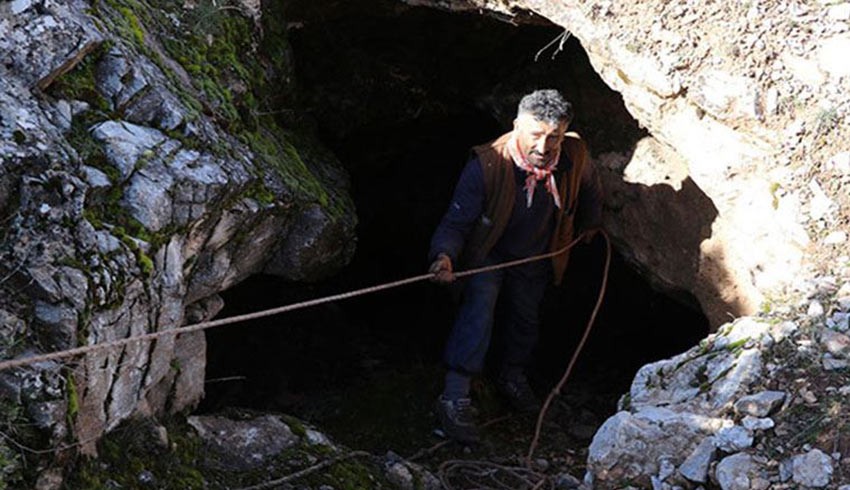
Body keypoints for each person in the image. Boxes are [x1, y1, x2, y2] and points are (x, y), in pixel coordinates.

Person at [428, 89, 603, 443]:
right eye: (536, 135)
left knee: (526, 316)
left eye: (554, 136)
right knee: (480, 307)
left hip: (536, 254)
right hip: (488, 255)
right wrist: (443, 255)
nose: (544, 146)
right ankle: (454, 394)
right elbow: (456, 223)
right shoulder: (487, 164)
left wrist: (590, 223)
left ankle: (512, 375)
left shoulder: (575, 155)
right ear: (517, 126)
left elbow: (591, 188)